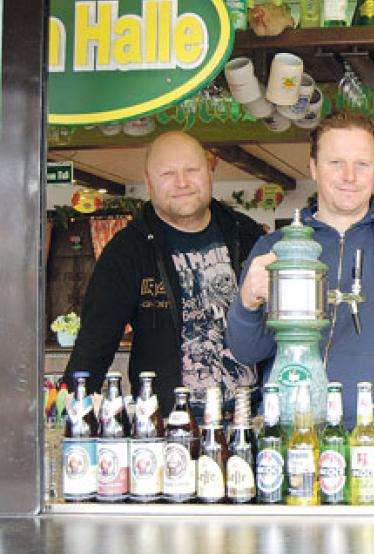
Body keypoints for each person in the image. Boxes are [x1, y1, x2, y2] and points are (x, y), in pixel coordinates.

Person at [226, 112, 374, 428]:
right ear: (313, 168)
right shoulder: (276, 247)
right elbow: (247, 351)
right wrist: (247, 303)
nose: (349, 175)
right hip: (291, 430)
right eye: (335, 163)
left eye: (362, 164)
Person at [62, 131, 266, 415]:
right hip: (169, 427)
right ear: (148, 181)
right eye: (168, 173)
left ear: (209, 171)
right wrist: (69, 422)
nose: (181, 182)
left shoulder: (247, 234)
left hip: (251, 420)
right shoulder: (126, 252)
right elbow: (93, 348)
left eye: (192, 170)